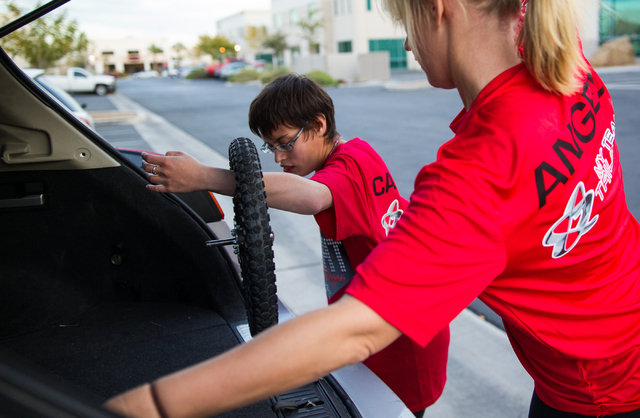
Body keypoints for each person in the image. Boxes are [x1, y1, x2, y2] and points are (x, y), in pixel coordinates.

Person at [105, 0, 640, 417]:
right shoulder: (564, 63)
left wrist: (147, 406)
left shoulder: (483, 170)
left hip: (599, 388)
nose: (407, 42)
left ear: (438, 9)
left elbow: (353, 329)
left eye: (405, 22)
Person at [132, 73, 449, 417]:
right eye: (271, 147)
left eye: (285, 143)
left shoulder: (349, 168)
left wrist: (204, 177)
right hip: (387, 323)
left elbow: (311, 198)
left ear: (319, 124)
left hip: (401, 345)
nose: (278, 157)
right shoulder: (357, 153)